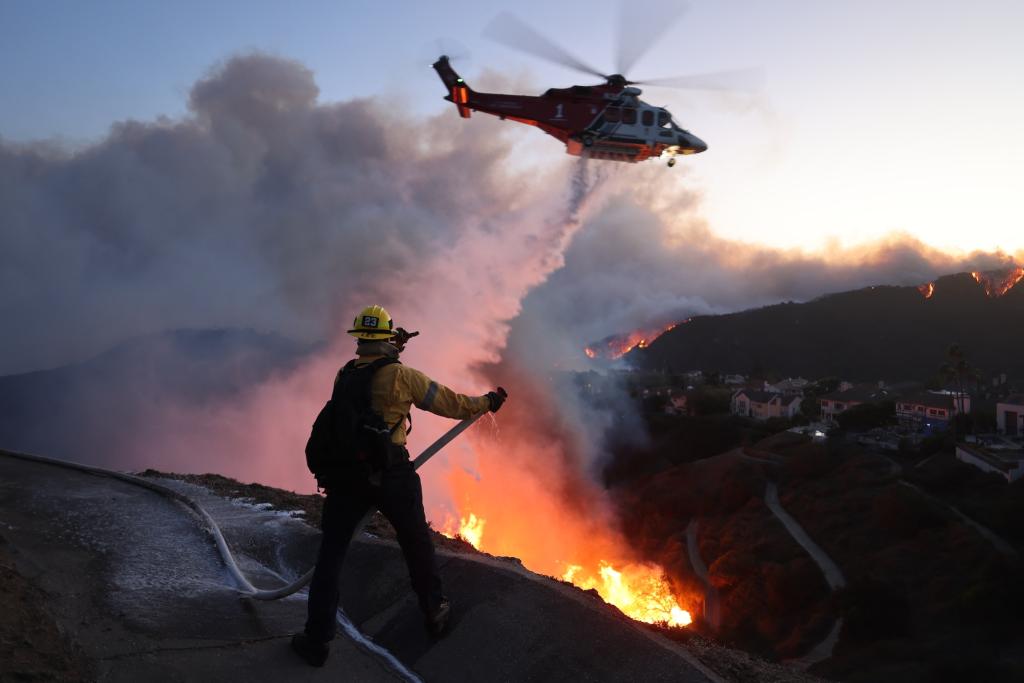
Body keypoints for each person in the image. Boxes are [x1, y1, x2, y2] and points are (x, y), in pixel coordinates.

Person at [292, 304, 507, 667]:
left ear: (359, 338)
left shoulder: (344, 374)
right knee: (415, 543)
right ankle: (434, 611)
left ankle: (316, 641)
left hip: (346, 478)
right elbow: (452, 404)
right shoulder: (402, 376)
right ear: (388, 337)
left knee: (330, 557)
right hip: (391, 474)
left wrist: (393, 348)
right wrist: (488, 402)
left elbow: (370, 383)